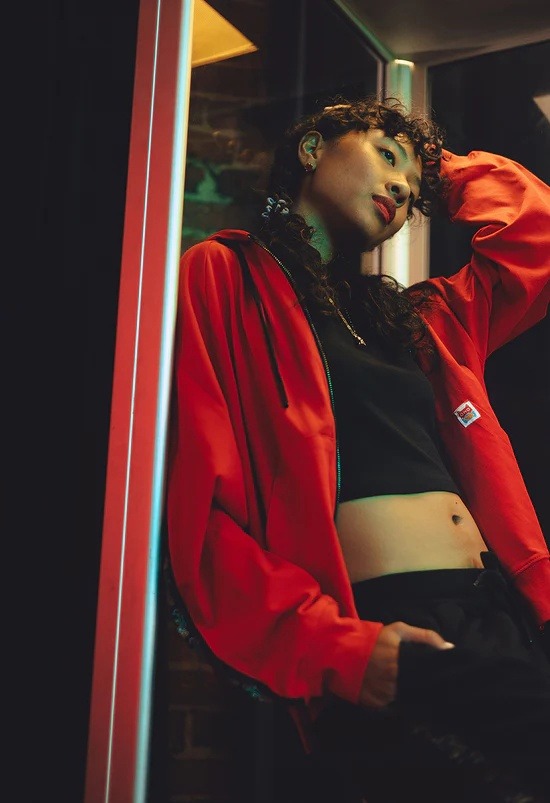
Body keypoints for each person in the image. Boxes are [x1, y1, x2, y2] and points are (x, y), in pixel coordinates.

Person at [166, 97, 550, 802]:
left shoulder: (417, 320)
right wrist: (341, 649)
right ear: (312, 149)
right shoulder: (225, 276)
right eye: (385, 155)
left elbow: (538, 236)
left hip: (500, 614)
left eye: (414, 186)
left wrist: (438, 166)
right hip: (391, 633)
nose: (401, 187)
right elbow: (205, 516)